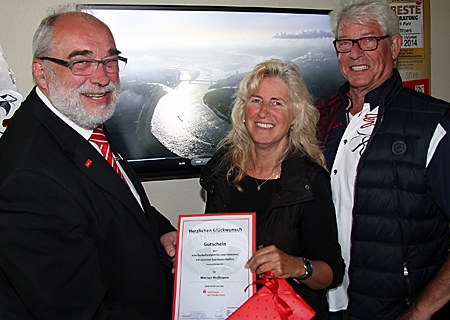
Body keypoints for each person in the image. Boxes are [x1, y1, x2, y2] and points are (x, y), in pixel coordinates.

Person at [0, 7, 177, 319]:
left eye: (110, 60)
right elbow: (78, 312)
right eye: (80, 62)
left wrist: (160, 231)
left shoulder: (76, 114)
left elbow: (116, 197)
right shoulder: (29, 178)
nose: (102, 77)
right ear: (42, 72)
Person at [315, 0, 450, 319]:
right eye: (345, 43)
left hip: (393, 309)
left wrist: (421, 311)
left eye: (369, 40)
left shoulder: (432, 124)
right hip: (325, 303)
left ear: (395, 46)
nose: (355, 53)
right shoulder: (320, 117)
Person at [200, 59, 345, 319]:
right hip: (229, 311)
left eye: (277, 103)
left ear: (295, 117)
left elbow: (332, 273)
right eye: (256, 100)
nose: (263, 112)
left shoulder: (309, 181)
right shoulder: (222, 170)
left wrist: (296, 266)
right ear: (243, 111)